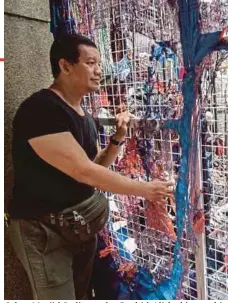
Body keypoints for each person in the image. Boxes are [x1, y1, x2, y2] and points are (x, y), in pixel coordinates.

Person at [7, 33, 174, 300]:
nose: (99, 71)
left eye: (100, 63)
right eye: (91, 63)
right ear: (65, 66)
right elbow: (83, 171)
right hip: (45, 233)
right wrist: (144, 190)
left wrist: (118, 137)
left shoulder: (84, 116)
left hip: (79, 229)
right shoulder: (42, 110)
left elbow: (96, 165)